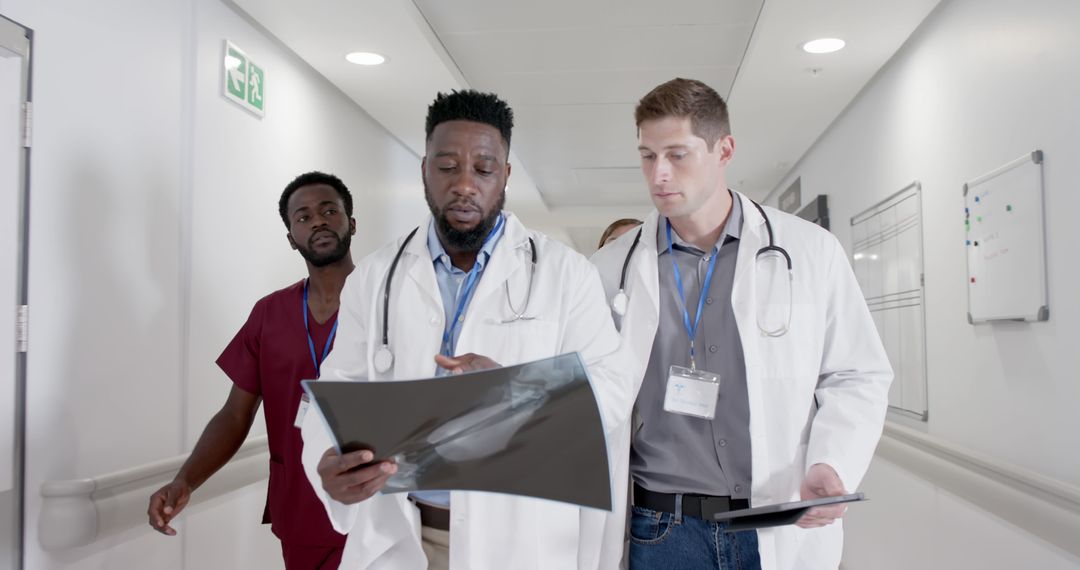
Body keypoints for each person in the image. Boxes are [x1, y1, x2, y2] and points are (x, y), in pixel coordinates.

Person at [300, 90, 634, 570]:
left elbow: (614, 386)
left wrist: (521, 391)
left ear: (505, 176)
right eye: (447, 166)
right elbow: (336, 391)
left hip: (519, 541)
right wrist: (330, 463)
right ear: (424, 170)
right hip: (402, 535)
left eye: (483, 168)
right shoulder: (375, 277)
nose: (464, 185)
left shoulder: (565, 273)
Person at [590, 78, 892, 569]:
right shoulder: (610, 268)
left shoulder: (809, 252)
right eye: (648, 156)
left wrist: (831, 463)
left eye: (677, 154)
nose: (659, 174)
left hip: (777, 517)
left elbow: (856, 373)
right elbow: (588, 389)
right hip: (662, 529)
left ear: (724, 149)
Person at [148, 171, 356, 569]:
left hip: (374, 507)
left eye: (330, 210)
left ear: (351, 222)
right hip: (300, 510)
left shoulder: (385, 301)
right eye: (303, 216)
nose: (318, 221)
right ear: (291, 237)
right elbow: (234, 414)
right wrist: (185, 480)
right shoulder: (269, 314)